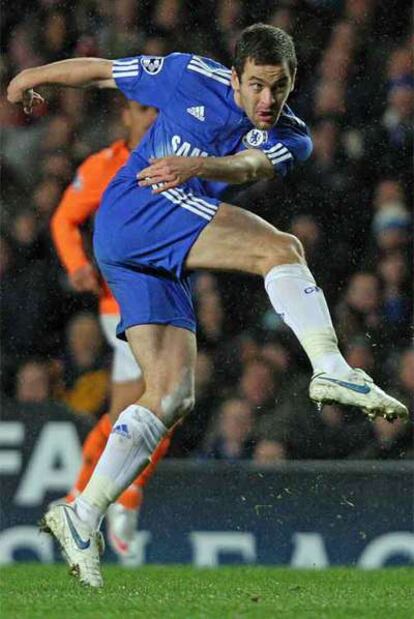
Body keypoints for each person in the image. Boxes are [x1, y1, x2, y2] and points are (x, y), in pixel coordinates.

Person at [8, 23, 408, 587]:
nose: (267, 101)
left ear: (293, 82)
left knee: (172, 394)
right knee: (281, 248)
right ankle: (332, 368)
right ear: (235, 75)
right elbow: (101, 73)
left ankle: (83, 512)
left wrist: (198, 167)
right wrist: (31, 75)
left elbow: (248, 167)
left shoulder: (294, 136)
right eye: (257, 86)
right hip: (137, 207)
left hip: (144, 244)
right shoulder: (188, 74)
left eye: (280, 87)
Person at [50, 100, 172, 558]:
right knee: (167, 396)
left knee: (140, 410)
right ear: (125, 116)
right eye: (143, 109)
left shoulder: (176, 162)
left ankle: (80, 497)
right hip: (118, 303)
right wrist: (78, 265)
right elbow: (64, 218)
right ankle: (126, 493)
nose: (152, 118)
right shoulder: (105, 166)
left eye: (159, 110)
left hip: (164, 299)